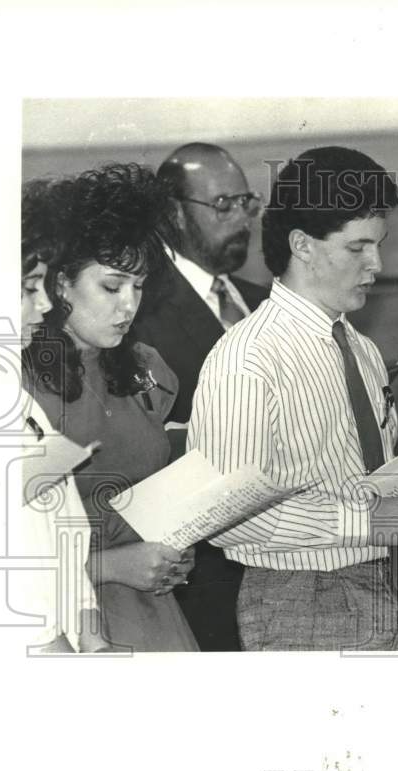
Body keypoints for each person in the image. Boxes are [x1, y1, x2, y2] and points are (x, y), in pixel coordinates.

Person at [186, 146, 398, 651]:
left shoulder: (363, 349)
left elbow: (369, 483)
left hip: (394, 588)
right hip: (304, 602)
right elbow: (220, 515)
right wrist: (366, 521)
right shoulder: (248, 357)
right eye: (357, 248)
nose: (377, 264)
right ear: (302, 245)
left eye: (380, 244)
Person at [23, 163, 197, 652]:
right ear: (59, 285)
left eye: (138, 286)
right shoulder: (15, 384)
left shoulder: (150, 370)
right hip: (63, 620)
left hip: (155, 612)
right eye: (112, 286)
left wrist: (173, 553)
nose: (129, 305)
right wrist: (113, 564)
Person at [132, 142, 269, 652]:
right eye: (222, 205)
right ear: (172, 214)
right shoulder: (137, 310)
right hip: (196, 586)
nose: (241, 219)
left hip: (280, 572)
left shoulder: (263, 303)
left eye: (246, 203)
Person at [13, 178, 108, 653]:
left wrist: (93, 639)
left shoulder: (16, 401)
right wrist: (55, 652)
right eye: (30, 288)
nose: (46, 303)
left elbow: (67, 536)